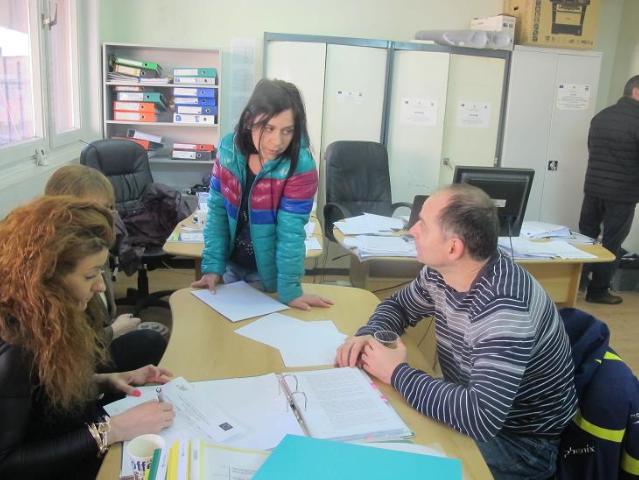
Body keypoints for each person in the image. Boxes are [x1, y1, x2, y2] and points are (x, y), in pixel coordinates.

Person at [336, 184, 577, 480]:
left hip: (521, 444)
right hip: (474, 408)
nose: (412, 230)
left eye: (423, 224)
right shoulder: (442, 272)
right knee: (377, 435)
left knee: (394, 464)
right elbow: (399, 306)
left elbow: (481, 416)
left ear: (453, 248)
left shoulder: (504, 308)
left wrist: (396, 372)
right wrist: (371, 332)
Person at [0, 196, 175, 479]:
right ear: (47, 278)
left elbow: (42, 390)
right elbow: (7, 463)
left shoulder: (46, 310)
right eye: (90, 275)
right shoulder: (14, 348)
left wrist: (107, 379)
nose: (100, 287)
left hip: (64, 430)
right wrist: (113, 430)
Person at [191, 79, 332, 310]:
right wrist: (213, 267)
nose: (277, 142)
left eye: (287, 131)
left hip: (268, 274)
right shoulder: (228, 150)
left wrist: (290, 291)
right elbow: (217, 213)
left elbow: (291, 234)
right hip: (232, 266)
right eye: (268, 128)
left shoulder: (300, 165)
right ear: (249, 121)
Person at [45, 164, 167, 372]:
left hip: (95, 346)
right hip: (76, 366)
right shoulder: (59, 265)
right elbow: (66, 353)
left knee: (152, 343)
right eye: (94, 210)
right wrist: (114, 331)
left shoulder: (94, 247)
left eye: (109, 208)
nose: (108, 217)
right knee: (151, 342)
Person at [579, 75, 639, 305]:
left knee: (585, 237)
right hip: (622, 194)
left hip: (593, 188)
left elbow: (591, 148)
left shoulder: (601, 117)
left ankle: (578, 283)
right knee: (612, 242)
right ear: (636, 91)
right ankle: (598, 291)